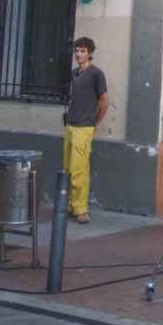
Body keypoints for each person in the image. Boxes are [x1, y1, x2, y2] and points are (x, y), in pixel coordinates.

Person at [62, 36, 108, 224]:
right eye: (76, 50)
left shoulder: (97, 74)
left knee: (78, 168)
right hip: (71, 125)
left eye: (82, 50)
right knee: (68, 168)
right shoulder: (74, 73)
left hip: (84, 127)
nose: (78, 54)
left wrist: (95, 123)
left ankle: (81, 210)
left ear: (90, 53)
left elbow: (104, 102)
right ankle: (71, 205)